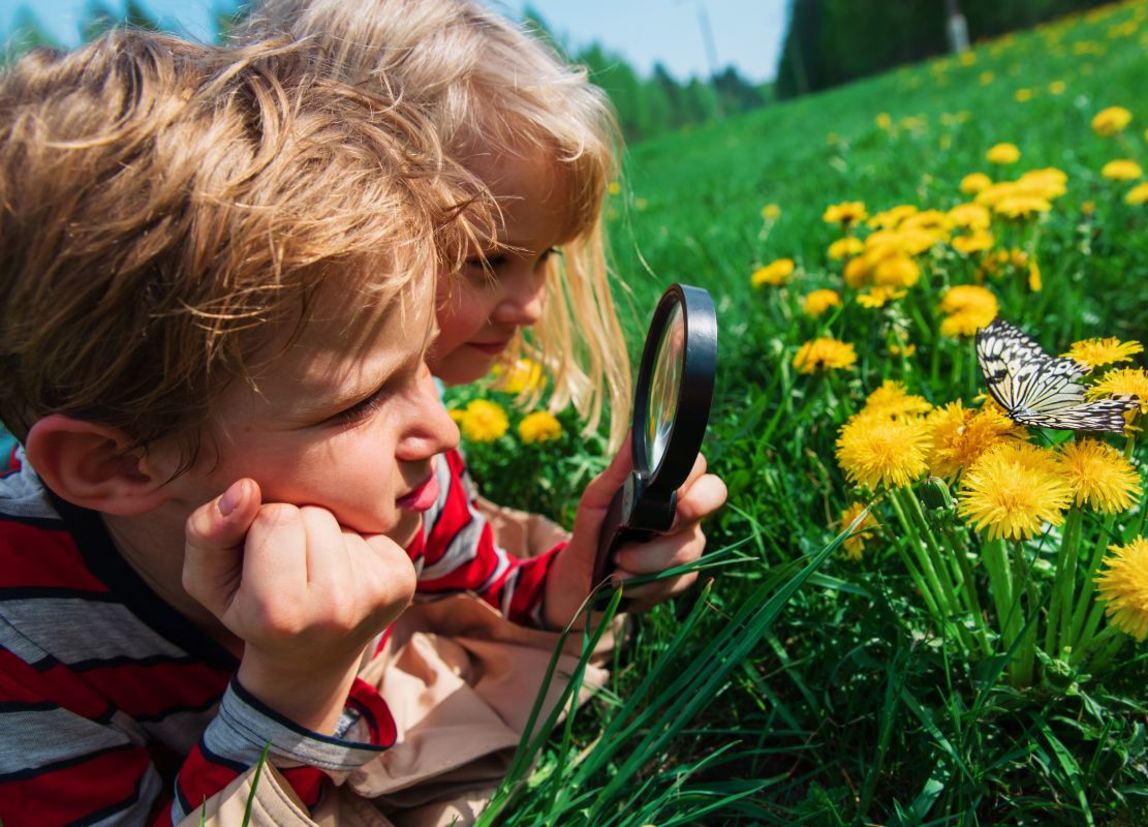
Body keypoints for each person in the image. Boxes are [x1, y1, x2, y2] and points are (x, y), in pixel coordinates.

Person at [0, 29, 719, 825]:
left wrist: (576, 579)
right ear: (116, 463)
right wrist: (292, 691)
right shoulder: (22, 649)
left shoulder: (396, 472)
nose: (442, 432)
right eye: (357, 401)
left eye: (423, 365)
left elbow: (487, 585)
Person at [241, 0, 728, 619]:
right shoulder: (215, 477)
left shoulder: (426, 455)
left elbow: (486, 589)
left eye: (545, 257)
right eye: (487, 260)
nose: (533, 306)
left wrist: (590, 567)